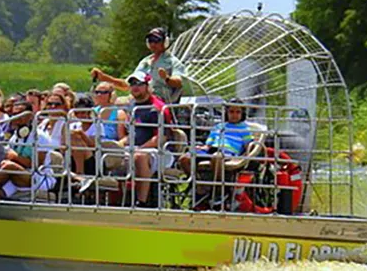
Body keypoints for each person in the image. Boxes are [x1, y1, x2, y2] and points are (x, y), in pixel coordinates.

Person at [90, 27, 188, 103]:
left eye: (156, 40)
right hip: (139, 99)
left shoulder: (172, 62)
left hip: (158, 102)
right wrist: (104, 77)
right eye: (150, 40)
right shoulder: (145, 62)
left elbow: (179, 82)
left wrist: (167, 78)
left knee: (120, 104)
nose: (153, 43)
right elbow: (127, 85)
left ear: (165, 42)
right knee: (111, 103)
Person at [118, 71, 171, 207]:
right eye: (132, 84)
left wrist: (139, 149)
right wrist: (119, 145)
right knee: (109, 153)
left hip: (160, 152)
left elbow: (161, 138)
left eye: (139, 84)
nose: (135, 87)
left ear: (148, 85)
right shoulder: (132, 106)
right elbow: (132, 135)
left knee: (139, 157)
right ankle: (115, 200)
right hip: (135, 148)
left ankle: (142, 202)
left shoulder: (157, 108)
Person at [178, 100, 254, 176]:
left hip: (227, 152)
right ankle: (196, 181)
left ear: (242, 114)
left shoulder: (244, 129)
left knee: (216, 157)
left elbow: (247, 146)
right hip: (211, 150)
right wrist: (202, 147)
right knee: (184, 158)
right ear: (226, 113)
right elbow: (209, 144)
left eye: (238, 112)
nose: (234, 115)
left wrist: (245, 156)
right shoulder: (218, 126)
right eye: (231, 112)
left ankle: (217, 186)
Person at [69, 94, 99, 175]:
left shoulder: (97, 126)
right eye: (77, 113)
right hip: (72, 157)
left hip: (91, 159)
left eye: (83, 112)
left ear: (89, 112)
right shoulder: (73, 125)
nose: (80, 115)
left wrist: (81, 134)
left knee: (76, 140)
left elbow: (93, 146)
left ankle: (80, 173)